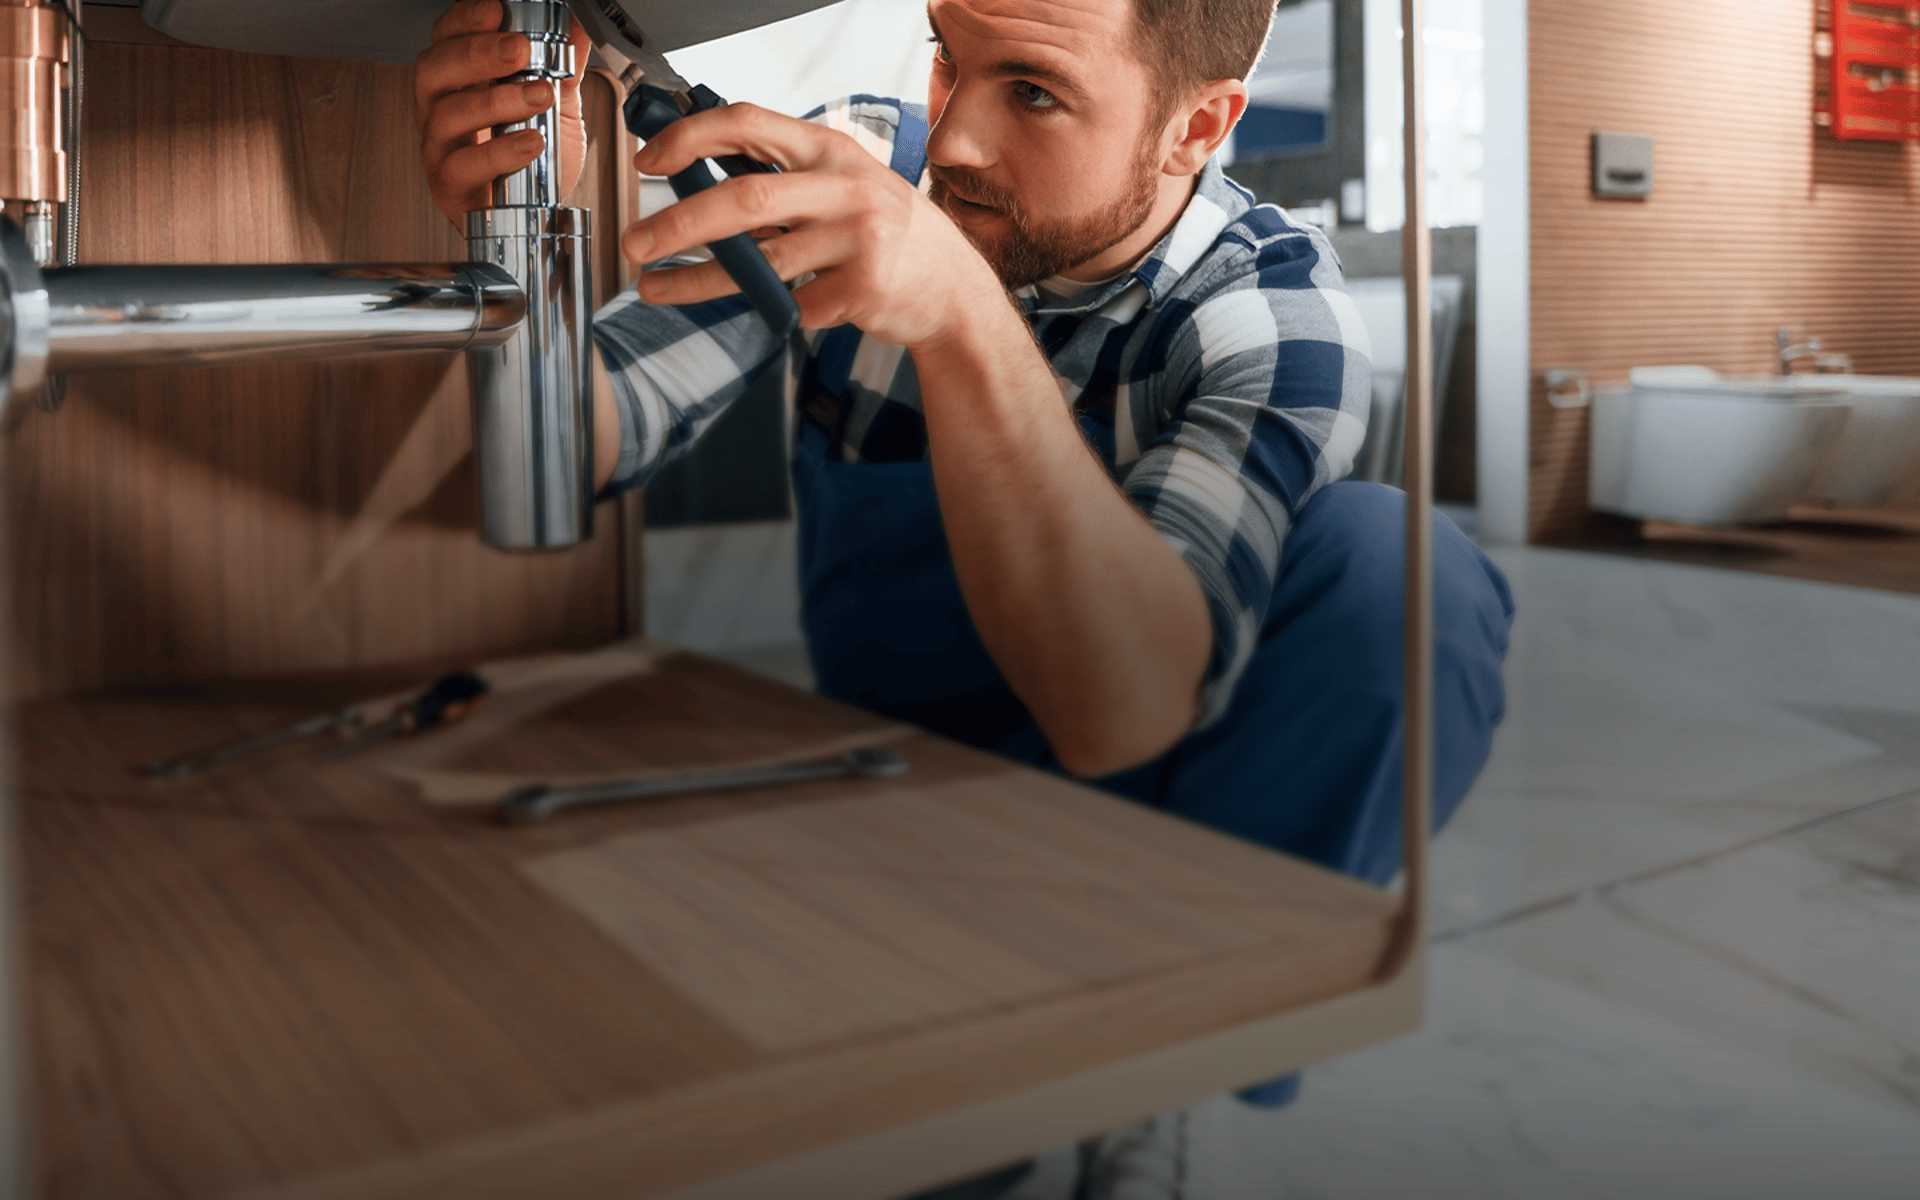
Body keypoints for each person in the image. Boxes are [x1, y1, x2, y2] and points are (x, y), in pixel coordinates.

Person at [416, 1, 1515, 1195]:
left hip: (1158, 814)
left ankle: (1160, 1056)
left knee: (1402, 569)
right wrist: (506, 243)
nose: (951, 141)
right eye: (949, 52)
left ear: (1197, 128)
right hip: (899, 796)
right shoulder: (860, 177)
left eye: (1032, 93)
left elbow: (1125, 711)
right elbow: (578, 436)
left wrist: (957, 320)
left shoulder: (1271, 316)